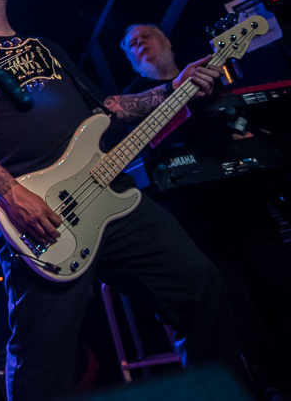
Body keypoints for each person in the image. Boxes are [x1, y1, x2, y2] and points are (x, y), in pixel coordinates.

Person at [0, 0, 244, 400]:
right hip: (38, 213)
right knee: (43, 360)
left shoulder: (47, 47)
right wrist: (11, 192)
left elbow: (108, 110)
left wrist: (175, 88)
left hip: (108, 194)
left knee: (201, 287)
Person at [120, 23, 291, 398]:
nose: (140, 43)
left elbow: (245, 122)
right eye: (132, 44)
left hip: (247, 210)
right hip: (192, 224)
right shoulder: (134, 105)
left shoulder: (215, 82)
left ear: (167, 42)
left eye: (146, 35)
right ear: (131, 62)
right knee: (242, 320)